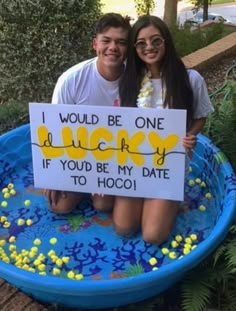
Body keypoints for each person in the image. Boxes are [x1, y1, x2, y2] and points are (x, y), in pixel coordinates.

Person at [112, 15, 214, 245]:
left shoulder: (190, 79)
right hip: (136, 164)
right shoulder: (129, 81)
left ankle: (168, 203)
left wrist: (191, 135)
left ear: (166, 41)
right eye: (141, 43)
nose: (149, 47)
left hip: (169, 166)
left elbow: (200, 117)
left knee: (153, 236)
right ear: (135, 48)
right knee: (123, 227)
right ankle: (152, 202)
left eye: (156, 40)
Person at [44, 13, 131, 214]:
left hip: (115, 157)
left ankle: (96, 191)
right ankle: (83, 187)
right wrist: (52, 175)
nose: (113, 48)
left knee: (104, 205)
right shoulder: (71, 80)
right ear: (95, 44)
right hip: (78, 156)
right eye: (106, 41)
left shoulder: (137, 81)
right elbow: (55, 130)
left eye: (121, 42)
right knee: (59, 206)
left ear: (127, 48)